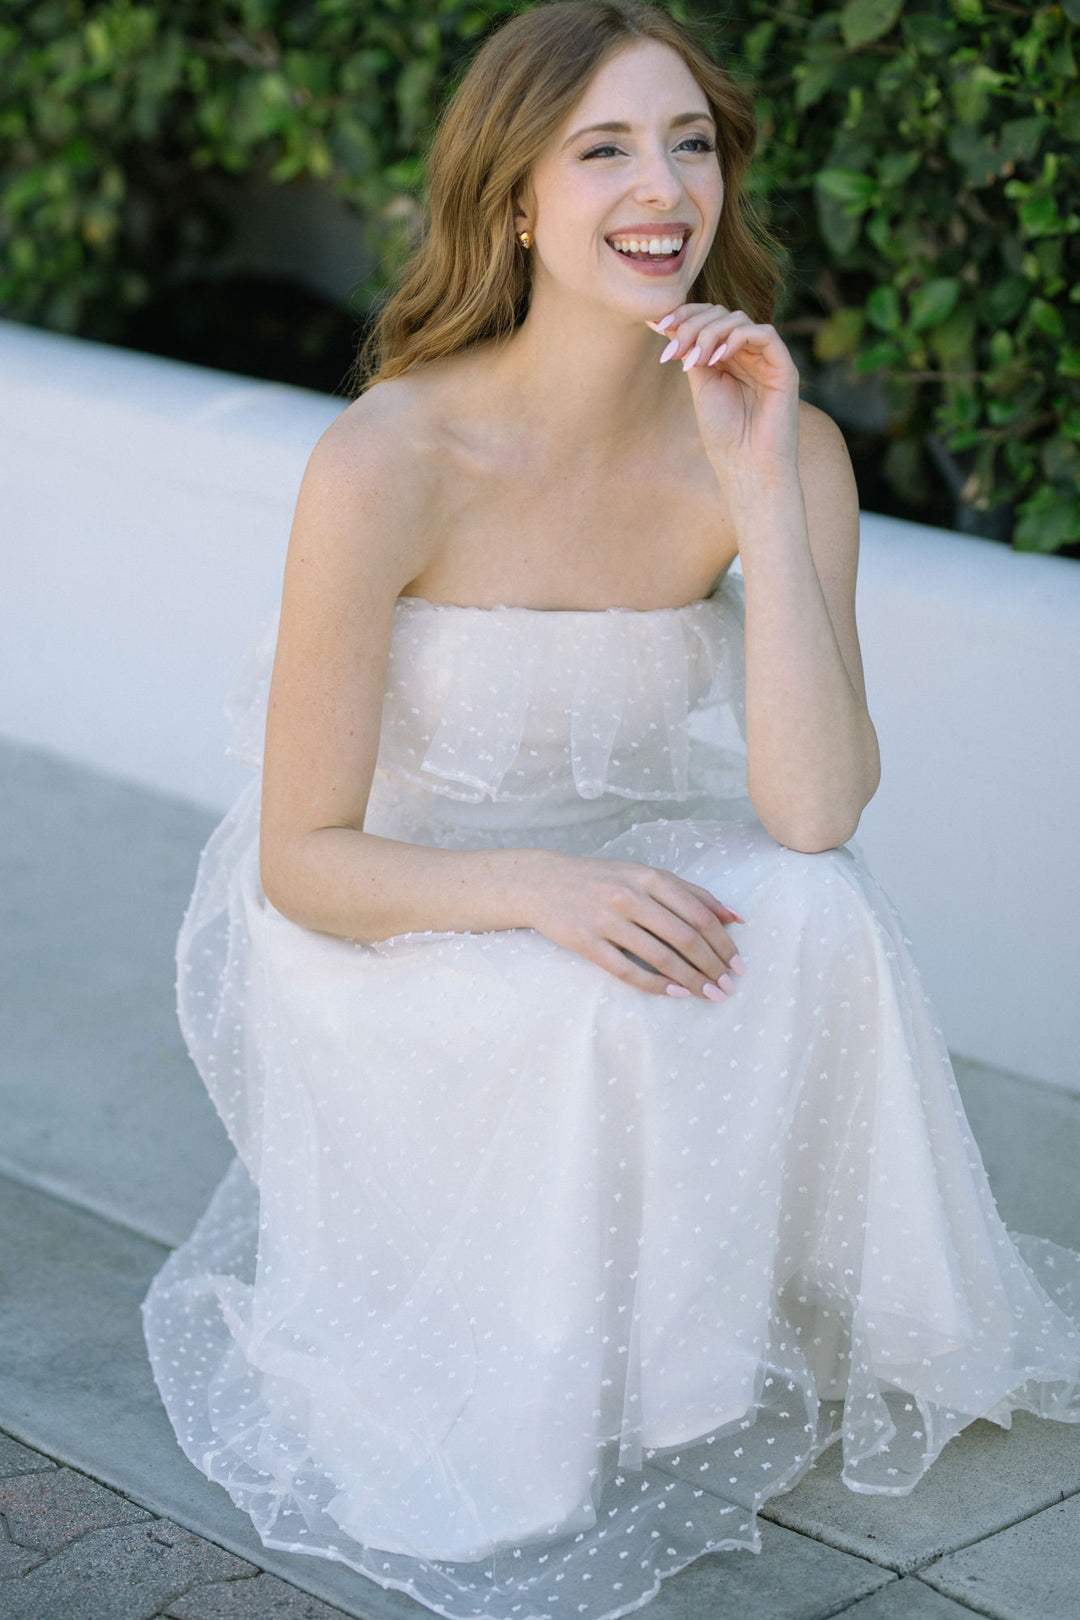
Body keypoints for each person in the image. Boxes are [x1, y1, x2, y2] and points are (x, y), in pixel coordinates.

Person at [142, 4, 1080, 1618]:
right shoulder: (391, 457)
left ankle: (693, 1355)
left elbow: (814, 811)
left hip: (622, 852)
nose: (665, 188)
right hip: (398, 906)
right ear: (514, 200)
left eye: (690, 143)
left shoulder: (782, 441)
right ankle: (557, 1382)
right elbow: (303, 862)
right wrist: (535, 891)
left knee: (819, 910)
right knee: (595, 994)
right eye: (604, 150)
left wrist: (758, 485)